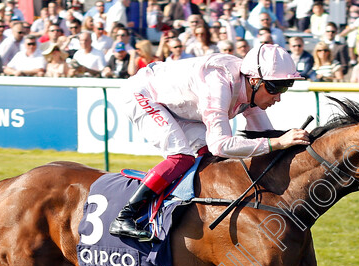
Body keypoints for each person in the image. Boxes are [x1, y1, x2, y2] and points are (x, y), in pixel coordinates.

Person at [108, 43, 309, 241]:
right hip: (144, 94)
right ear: (255, 81)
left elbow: (264, 136)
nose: (279, 98)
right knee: (181, 158)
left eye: (286, 87)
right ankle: (126, 215)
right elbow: (221, 145)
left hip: (179, 106)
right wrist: (279, 142)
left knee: (209, 157)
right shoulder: (219, 84)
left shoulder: (250, 87)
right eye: (277, 87)